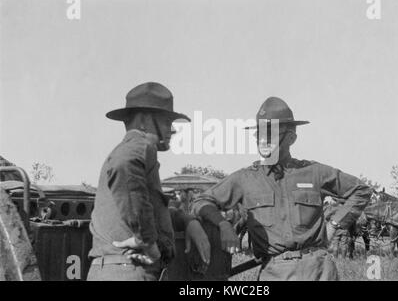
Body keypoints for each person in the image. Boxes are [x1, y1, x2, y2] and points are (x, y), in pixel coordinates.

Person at [192, 97, 372, 280]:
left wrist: (335, 224)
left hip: (319, 270)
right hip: (275, 273)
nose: (263, 140)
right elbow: (201, 201)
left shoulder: (313, 172)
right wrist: (223, 225)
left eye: (271, 134)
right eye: (259, 134)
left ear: (291, 138)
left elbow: (361, 190)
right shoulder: (245, 178)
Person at [87, 82, 210, 281]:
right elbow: (122, 164)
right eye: (166, 122)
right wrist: (147, 241)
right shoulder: (140, 146)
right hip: (128, 271)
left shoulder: (136, 151)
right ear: (144, 120)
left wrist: (187, 220)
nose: (172, 130)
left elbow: (151, 209)